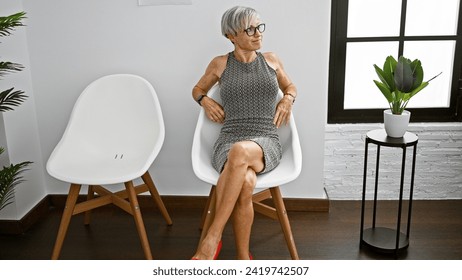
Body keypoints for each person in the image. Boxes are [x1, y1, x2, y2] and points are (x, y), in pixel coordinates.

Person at [191, 6, 297, 260]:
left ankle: (212, 238)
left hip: (265, 139)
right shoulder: (220, 64)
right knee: (246, 182)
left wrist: (287, 99)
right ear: (231, 36)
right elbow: (197, 89)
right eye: (249, 29)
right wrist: (205, 100)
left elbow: (290, 85)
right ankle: (242, 259)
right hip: (229, 139)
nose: (257, 34)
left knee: (241, 150)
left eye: (259, 27)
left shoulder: (271, 60)